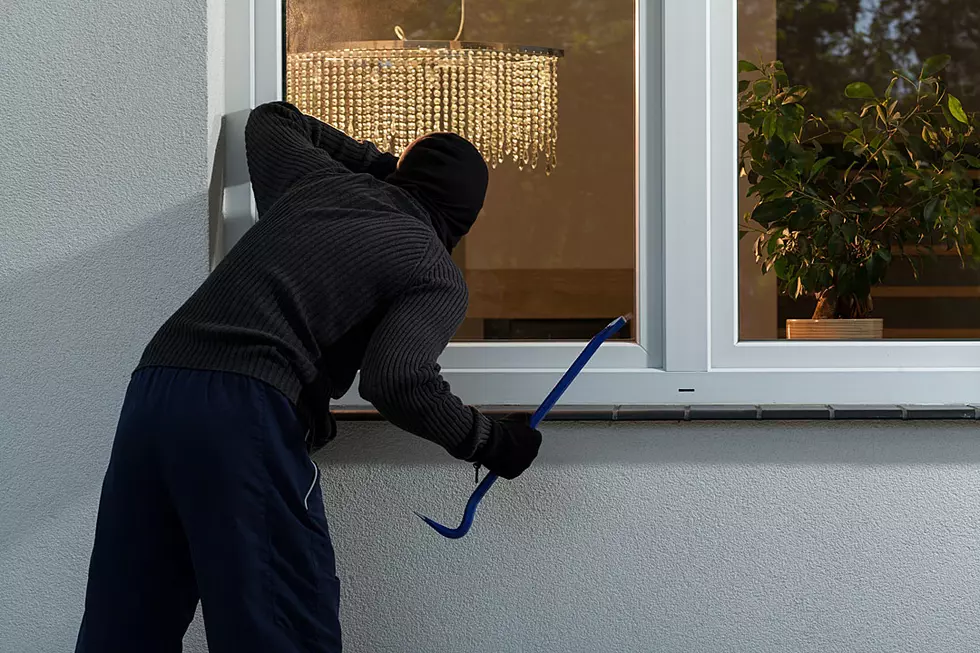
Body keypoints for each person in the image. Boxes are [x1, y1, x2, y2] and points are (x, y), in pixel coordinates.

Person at [75, 101, 543, 653]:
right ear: (462, 222)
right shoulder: (431, 268)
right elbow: (397, 382)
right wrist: (489, 440)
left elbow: (271, 120)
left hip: (154, 388)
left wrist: (377, 165)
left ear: (404, 173)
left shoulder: (314, 184)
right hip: (243, 408)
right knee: (283, 626)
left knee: (128, 624)